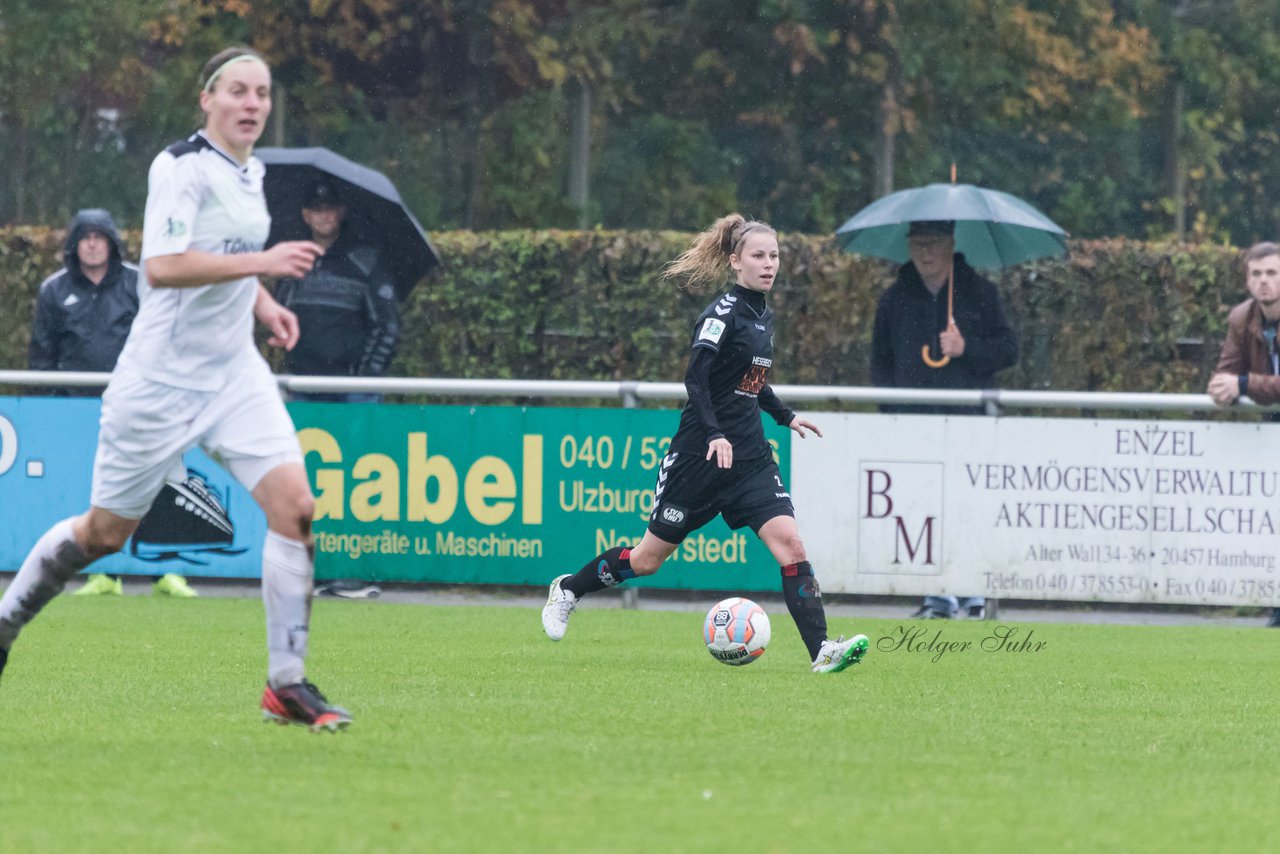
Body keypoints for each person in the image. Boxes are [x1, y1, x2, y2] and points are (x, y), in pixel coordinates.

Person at [0, 46, 352, 732]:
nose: (252, 104)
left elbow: (218, 257)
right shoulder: (180, 167)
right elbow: (162, 267)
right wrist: (267, 263)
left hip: (233, 372)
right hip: (159, 380)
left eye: (262, 94)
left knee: (296, 508)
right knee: (104, 534)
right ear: (207, 99)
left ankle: (286, 684)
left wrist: (262, 304)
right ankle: (6, 623)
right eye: (238, 92)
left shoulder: (251, 173)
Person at [541, 214, 870, 673]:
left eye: (774, 256)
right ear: (736, 262)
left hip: (750, 459)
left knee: (791, 545)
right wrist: (715, 434)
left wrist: (785, 417)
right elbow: (696, 379)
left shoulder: (763, 314)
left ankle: (822, 652)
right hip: (699, 458)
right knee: (647, 560)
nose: (769, 264)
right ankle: (569, 589)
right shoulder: (721, 314)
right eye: (758, 256)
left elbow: (751, 383)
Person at [29, 208, 197, 599]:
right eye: (84, 237)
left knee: (161, 486)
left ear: (111, 242)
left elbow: (167, 340)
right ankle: (102, 574)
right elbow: (42, 354)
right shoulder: (54, 290)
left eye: (99, 236)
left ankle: (166, 573)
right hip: (77, 410)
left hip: (141, 407)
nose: (91, 244)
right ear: (74, 244)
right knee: (94, 494)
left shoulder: (141, 283)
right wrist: (49, 409)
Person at [869, 219, 1018, 620]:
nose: (926, 252)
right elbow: (880, 363)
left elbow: (1008, 349)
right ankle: (934, 596)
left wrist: (966, 348)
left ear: (952, 244)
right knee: (918, 511)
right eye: (918, 243)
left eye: (934, 243)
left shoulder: (981, 293)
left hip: (967, 422)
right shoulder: (894, 298)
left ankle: (971, 594)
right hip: (912, 425)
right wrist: (891, 414)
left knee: (967, 508)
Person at [1206, 240, 1280, 627]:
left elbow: (1241, 378)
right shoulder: (1241, 318)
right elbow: (1225, 373)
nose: (1264, 282)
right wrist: (1223, 386)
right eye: (1257, 274)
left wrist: (1244, 383)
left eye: (1272, 273)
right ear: (1247, 280)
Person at [272, 180, 400, 402]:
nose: (324, 216)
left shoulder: (366, 262)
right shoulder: (292, 262)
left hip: (353, 388)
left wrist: (368, 375)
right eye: (316, 209)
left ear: (341, 212)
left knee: (359, 439)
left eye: (329, 208)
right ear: (306, 215)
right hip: (301, 384)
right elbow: (279, 316)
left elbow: (388, 325)